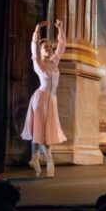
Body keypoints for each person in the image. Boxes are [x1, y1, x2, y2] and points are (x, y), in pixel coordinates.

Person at [21, 19, 67, 177]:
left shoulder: (54, 62)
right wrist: (37, 30)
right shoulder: (38, 63)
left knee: (43, 132)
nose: (49, 49)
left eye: (49, 47)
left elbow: (61, 47)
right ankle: (49, 162)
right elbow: (34, 49)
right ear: (40, 51)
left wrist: (60, 29)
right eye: (45, 47)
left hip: (51, 101)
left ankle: (35, 158)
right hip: (40, 99)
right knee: (40, 132)